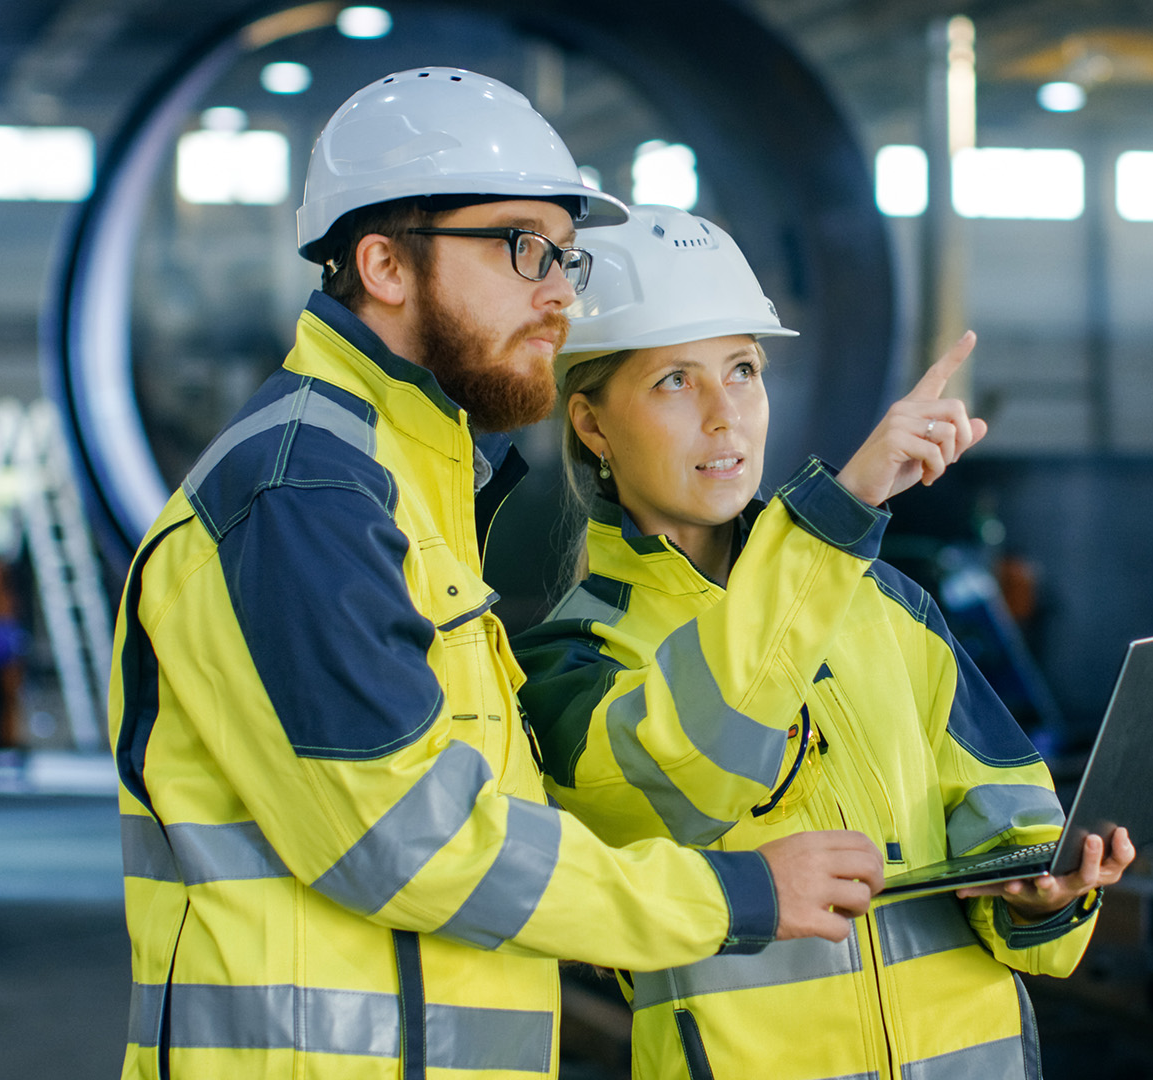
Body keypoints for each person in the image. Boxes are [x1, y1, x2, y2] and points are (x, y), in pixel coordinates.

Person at [108, 70, 884, 1080]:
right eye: (523, 247)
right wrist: (730, 896)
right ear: (384, 264)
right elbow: (405, 841)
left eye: (565, 255)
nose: (561, 292)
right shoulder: (306, 492)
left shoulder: (405, 479)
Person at [511, 205, 1135, 1080]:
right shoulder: (571, 661)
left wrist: (1042, 891)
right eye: (674, 383)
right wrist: (843, 509)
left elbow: (1006, 803)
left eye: (742, 371)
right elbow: (695, 772)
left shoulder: (884, 603)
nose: (726, 417)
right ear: (591, 425)